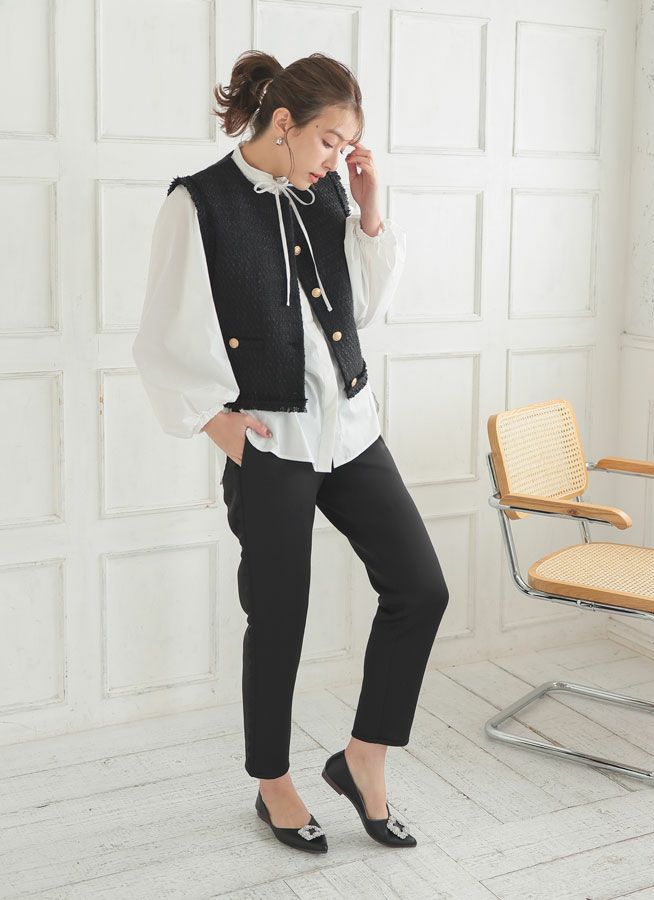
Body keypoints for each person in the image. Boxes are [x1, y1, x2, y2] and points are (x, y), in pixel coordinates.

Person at [133, 50, 449, 853]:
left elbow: (361, 308)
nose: (336, 159)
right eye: (329, 141)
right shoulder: (198, 202)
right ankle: (273, 782)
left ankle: (363, 758)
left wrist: (369, 211)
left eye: (346, 145)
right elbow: (162, 333)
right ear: (284, 123)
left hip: (351, 428)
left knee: (420, 588)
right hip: (273, 442)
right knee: (279, 615)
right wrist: (217, 424)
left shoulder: (329, 192)